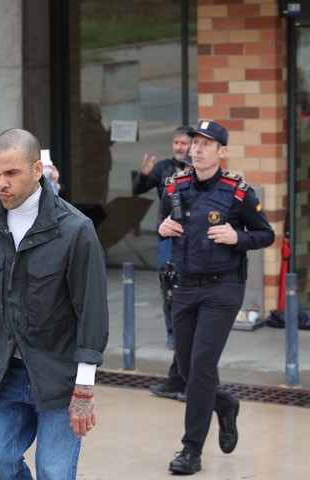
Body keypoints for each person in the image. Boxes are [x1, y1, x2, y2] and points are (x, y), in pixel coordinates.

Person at [0, 128, 109, 479]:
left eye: (12, 173)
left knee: (54, 473)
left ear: (37, 170)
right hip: (5, 370)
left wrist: (84, 387)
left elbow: (92, 311)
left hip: (59, 374)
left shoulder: (76, 229)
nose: (1, 183)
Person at [157, 121, 275, 475]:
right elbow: (163, 223)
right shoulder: (174, 186)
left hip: (222, 288)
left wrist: (236, 236)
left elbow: (265, 234)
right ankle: (224, 405)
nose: (197, 148)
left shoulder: (238, 192)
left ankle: (190, 451)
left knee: (203, 366)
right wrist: (161, 227)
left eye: (207, 144)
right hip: (184, 286)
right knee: (187, 368)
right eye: (196, 142)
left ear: (221, 152)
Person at [132, 126, 192, 402]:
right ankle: (173, 334)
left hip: (191, 240)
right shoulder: (165, 168)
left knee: (185, 291)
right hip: (166, 236)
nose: (179, 147)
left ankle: (181, 367)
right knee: (168, 287)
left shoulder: (199, 172)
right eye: (176, 142)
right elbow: (138, 190)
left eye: (184, 143)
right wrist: (145, 173)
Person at [77, 102, 113, 205]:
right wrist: (111, 135)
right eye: (97, 110)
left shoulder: (95, 122)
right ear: (91, 112)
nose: (100, 111)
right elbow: (102, 143)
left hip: (100, 166)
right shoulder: (89, 125)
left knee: (101, 192)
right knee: (97, 193)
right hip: (95, 168)